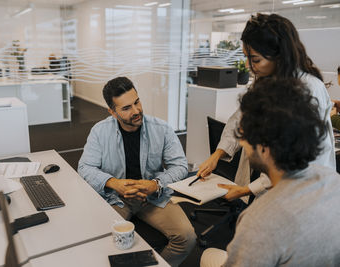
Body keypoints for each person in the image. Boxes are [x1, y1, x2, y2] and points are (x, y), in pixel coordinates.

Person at [200, 77, 340, 267]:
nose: (241, 142)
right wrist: (218, 154)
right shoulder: (334, 182)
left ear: (264, 147)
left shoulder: (259, 220)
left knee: (208, 255)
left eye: (244, 135)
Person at [197, 13, 335, 201]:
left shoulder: (309, 90)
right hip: (268, 182)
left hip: (300, 191)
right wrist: (217, 154)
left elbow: (293, 159)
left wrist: (249, 189)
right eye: (247, 58)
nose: (249, 66)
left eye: (255, 59)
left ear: (280, 56)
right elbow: (239, 119)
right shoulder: (267, 81)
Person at [78, 77, 196, 267]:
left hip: (153, 197)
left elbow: (180, 166)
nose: (136, 111)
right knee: (98, 241)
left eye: (137, 102)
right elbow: (84, 167)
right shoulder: (99, 132)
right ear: (112, 112)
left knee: (187, 237)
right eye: (126, 108)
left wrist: (156, 184)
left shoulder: (162, 129)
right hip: (117, 198)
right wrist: (114, 183)